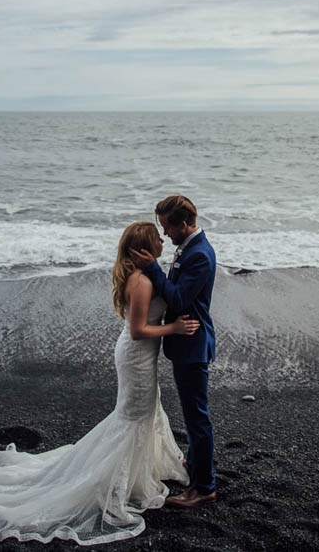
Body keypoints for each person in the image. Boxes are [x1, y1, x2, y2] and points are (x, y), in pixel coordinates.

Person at [0, 221, 199, 546]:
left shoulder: (145, 275)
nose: (162, 242)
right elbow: (139, 330)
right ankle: (111, 483)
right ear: (143, 248)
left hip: (140, 355)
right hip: (136, 354)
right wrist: (175, 330)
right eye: (156, 239)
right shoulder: (140, 281)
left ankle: (135, 475)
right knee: (132, 418)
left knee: (142, 413)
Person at [130, 194, 217, 508]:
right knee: (193, 414)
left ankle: (204, 486)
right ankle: (195, 467)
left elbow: (179, 299)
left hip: (193, 344)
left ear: (183, 224)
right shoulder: (190, 247)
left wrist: (153, 269)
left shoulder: (200, 255)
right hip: (185, 343)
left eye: (167, 227)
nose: (164, 234)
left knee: (197, 418)